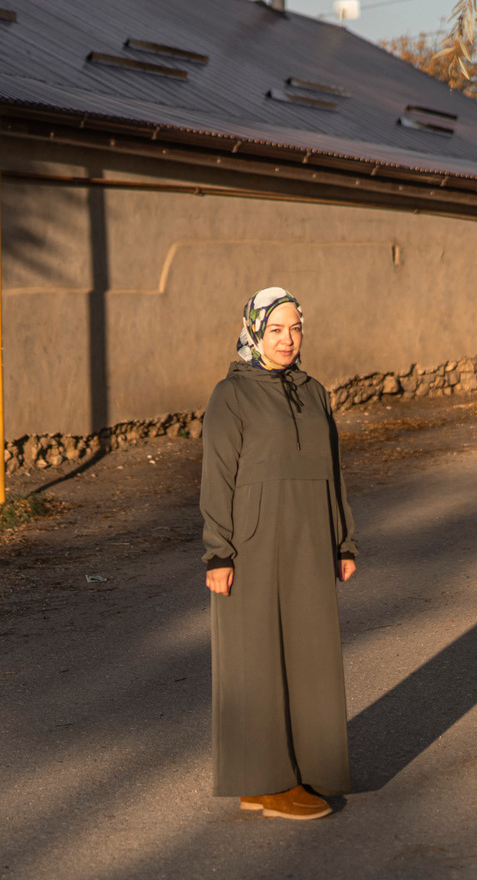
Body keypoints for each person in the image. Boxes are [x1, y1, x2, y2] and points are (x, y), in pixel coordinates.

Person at [200, 286, 357, 820]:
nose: (287, 340)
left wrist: (343, 540)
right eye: (275, 330)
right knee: (257, 658)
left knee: (309, 654)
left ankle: (303, 770)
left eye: (295, 329)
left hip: (311, 540)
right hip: (253, 542)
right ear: (254, 332)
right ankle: (267, 781)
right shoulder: (231, 395)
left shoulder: (314, 392)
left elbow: (332, 472)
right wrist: (218, 554)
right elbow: (216, 478)